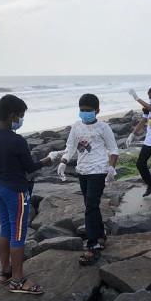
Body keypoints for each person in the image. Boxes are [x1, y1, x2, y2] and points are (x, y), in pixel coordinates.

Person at [0, 94, 52, 294]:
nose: (20, 120)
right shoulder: (17, 140)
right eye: (20, 115)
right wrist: (45, 161)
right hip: (16, 191)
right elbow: (29, 167)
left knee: (5, 228)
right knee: (18, 233)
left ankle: (4, 272)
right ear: (12, 116)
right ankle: (18, 280)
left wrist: (1, 169)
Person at [50, 94, 119, 266]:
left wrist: (111, 168)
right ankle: (101, 234)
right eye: (82, 110)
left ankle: (92, 245)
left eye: (88, 111)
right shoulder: (76, 126)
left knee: (91, 206)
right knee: (91, 206)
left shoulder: (103, 128)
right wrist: (63, 162)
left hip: (99, 170)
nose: (84, 113)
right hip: (83, 171)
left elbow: (114, 149)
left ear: (97, 111)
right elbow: (71, 147)